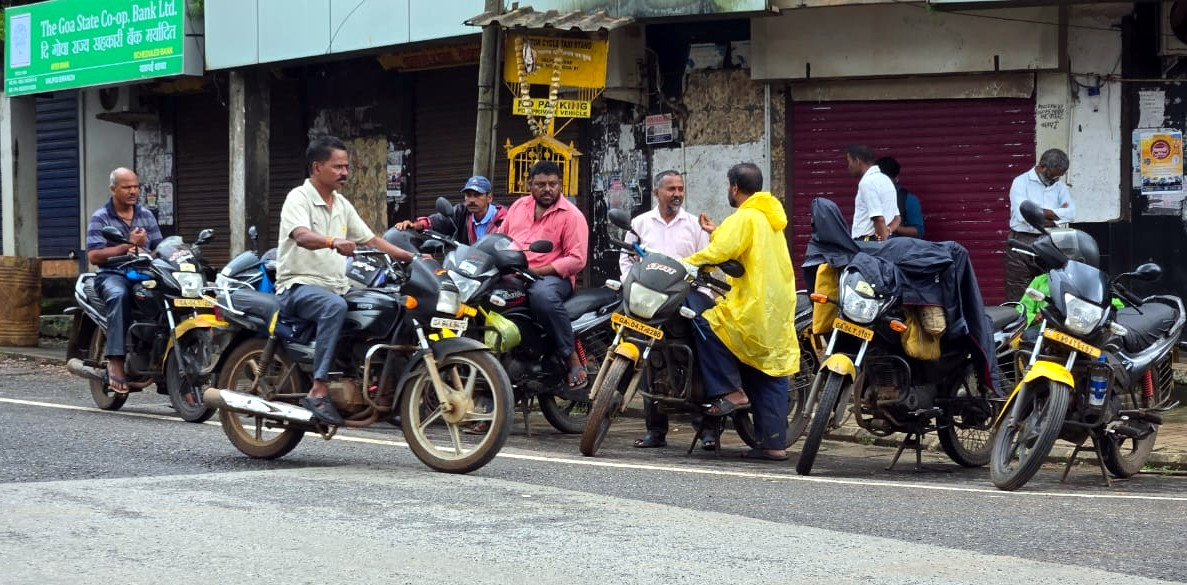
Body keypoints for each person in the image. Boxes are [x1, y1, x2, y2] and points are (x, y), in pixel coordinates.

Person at [276, 136, 415, 425]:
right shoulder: (298, 198)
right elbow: (301, 235)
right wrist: (332, 241)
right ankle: (318, 388)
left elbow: (372, 239)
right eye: (338, 167)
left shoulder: (341, 204)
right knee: (334, 307)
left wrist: (412, 257)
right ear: (317, 167)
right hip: (298, 286)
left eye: (346, 167)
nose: (345, 173)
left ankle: (388, 394)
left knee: (390, 306)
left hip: (337, 286)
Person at [685, 163, 800, 461]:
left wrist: (685, 263)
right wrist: (717, 231)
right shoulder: (769, 218)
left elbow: (718, 253)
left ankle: (730, 391)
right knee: (768, 371)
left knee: (705, 322)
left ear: (734, 187)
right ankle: (774, 445)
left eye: (728, 186)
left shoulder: (745, 216)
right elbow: (740, 244)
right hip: (776, 307)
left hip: (752, 304)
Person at [618, 170, 712, 450]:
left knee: (697, 354)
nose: (677, 194)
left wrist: (702, 296)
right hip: (647, 300)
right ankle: (655, 432)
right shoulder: (640, 223)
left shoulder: (694, 225)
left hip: (685, 298)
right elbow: (627, 259)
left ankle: (707, 428)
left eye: (681, 188)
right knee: (648, 357)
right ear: (657, 193)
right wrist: (629, 286)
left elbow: (704, 265)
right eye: (671, 189)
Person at [496, 160, 590, 390]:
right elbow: (500, 238)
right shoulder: (518, 207)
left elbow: (577, 259)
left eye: (552, 184)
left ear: (560, 185)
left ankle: (571, 358)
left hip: (552, 278)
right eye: (541, 184)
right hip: (516, 274)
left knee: (542, 297)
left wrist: (538, 271)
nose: (547, 189)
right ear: (529, 184)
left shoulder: (571, 216)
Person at [85, 167, 164, 394]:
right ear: (113, 189)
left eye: (136, 186)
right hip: (113, 275)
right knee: (119, 296)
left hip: (144, 273)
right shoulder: (101, 217)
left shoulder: (146, 215)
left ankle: (169, 363)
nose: (133, 191)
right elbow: (94, 255)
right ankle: (116, 360)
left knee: (170, 297)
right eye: (127, 187)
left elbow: (159, 248)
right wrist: (128, 246)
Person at [1004, 148, 1075, 302]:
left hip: (1048, 240)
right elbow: (1024, 215)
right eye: (1054, 174)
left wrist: (1041, 214)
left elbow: (1070, 213)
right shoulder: (1021, 182)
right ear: (1042, 167)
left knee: (1048, 286)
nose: (1056, 179)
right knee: (1019, 290)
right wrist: (1056, 214)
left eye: (1060, 176)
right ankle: (1019, 324)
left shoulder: (1059, 186)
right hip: (1021, 242)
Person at [392, 175, 507, 250]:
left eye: (477, 195)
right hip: (470, 270)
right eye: (468, 195)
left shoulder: (505, 217)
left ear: (490, 198)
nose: (472, 200)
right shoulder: (461, 212)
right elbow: (438, 221)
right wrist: (415, 225)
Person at [846, 145, 899, 242]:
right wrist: (887, 232)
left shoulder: (867, 182)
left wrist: (880, 243)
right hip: (879, 241)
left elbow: (878, 219)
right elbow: (897, 218)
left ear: (857, 161)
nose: (848, 167)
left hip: (867, 242)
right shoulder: (886, 180)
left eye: (849, 161)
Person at [875, 157, 925, 239]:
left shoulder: (908, 200)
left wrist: (892, 228)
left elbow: (918, 232)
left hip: (898, 249)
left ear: (896, 178)